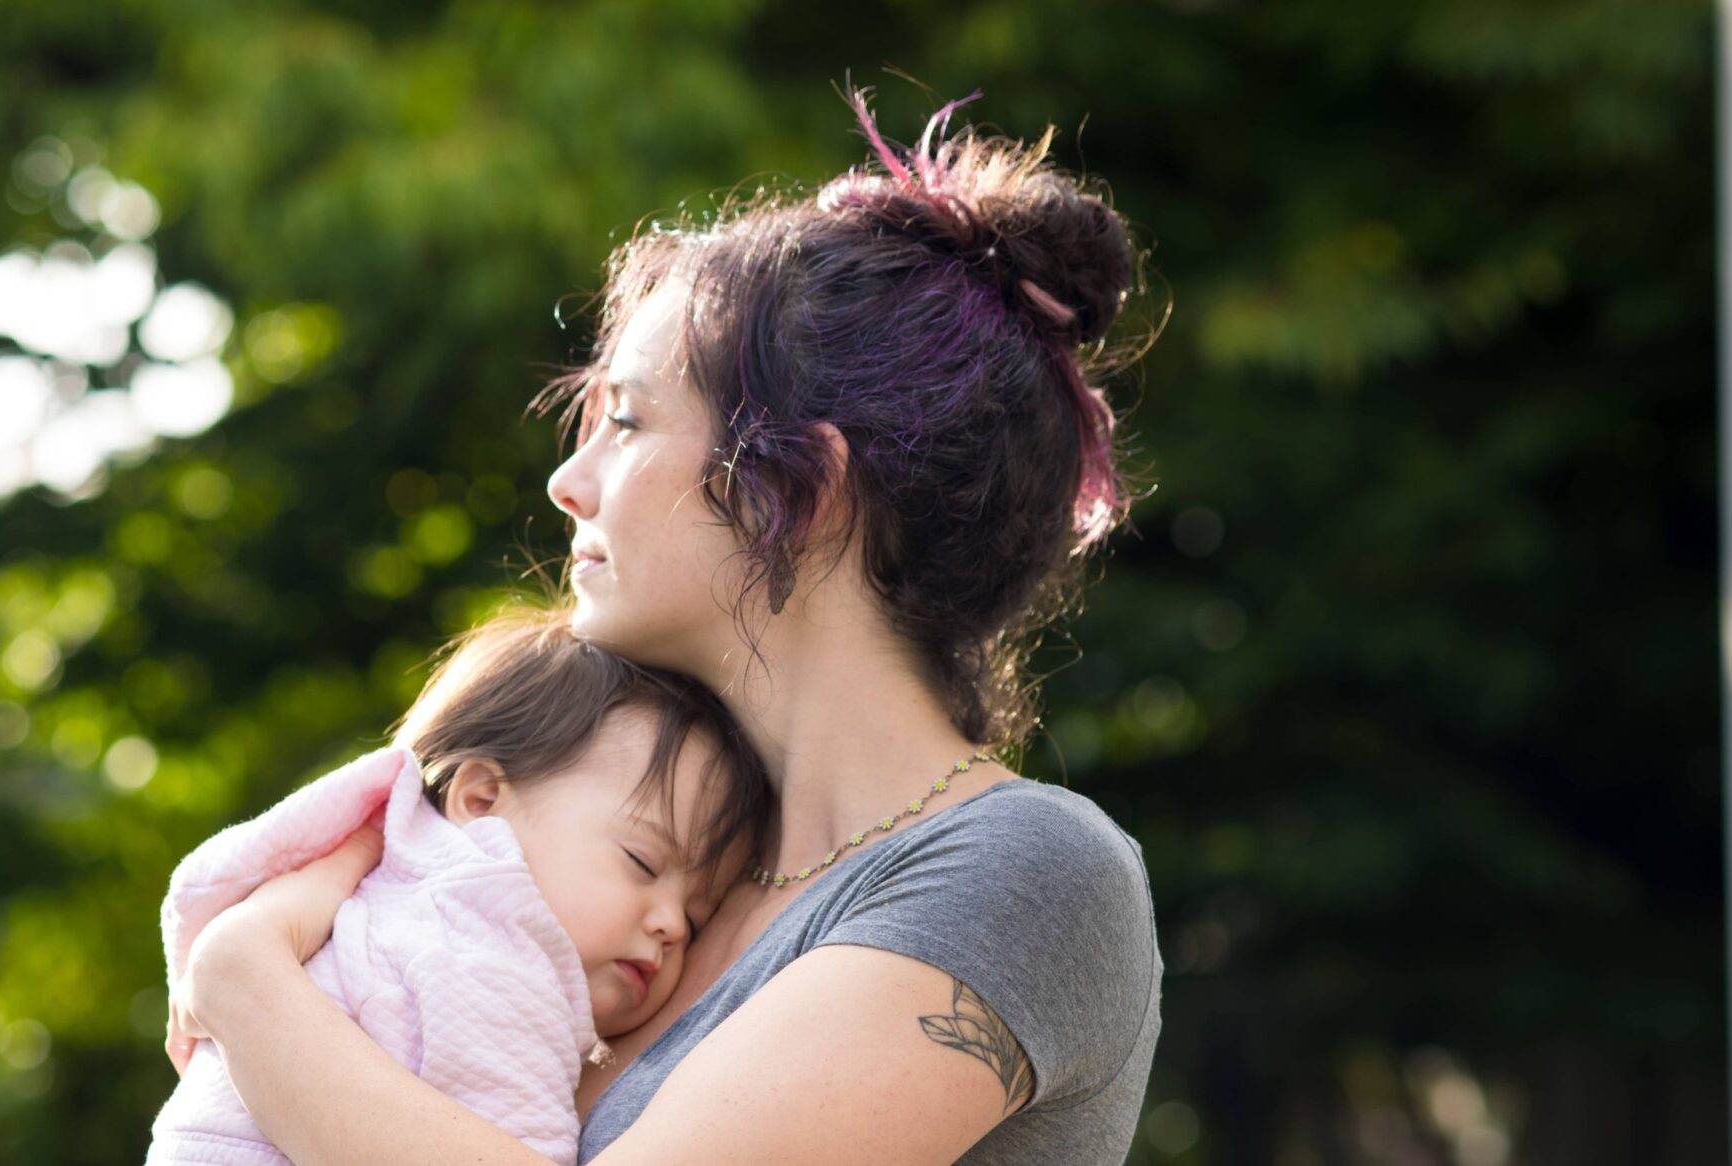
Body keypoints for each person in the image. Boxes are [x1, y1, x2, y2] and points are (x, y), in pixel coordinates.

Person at [171, 87, 1163, 1166]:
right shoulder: (646, 867)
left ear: (804, 490)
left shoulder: (1022, 870)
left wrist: (240, 971)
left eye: (630, 420)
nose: (566, 480)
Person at [150, 605, 772, 1165]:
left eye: (697, 915)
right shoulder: (492, 949)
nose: (671, 925)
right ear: (481, 799)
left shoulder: (363, 901)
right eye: (642, 862)